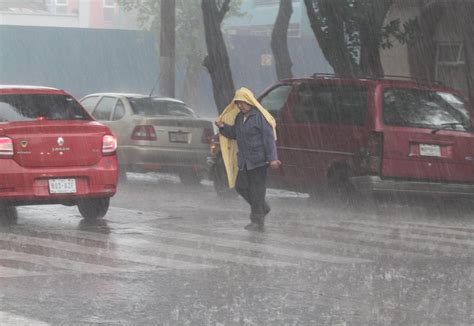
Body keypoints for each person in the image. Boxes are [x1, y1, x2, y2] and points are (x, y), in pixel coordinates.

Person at [215, 87, 281, 232]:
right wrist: (222, 127)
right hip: (245, 161)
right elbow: (234, 134)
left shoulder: (260, 117)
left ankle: (257, 221)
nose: (240, 106)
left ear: (249, 101)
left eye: (242, 103)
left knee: (257, 192)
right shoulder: (239, 118)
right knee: (240, 186)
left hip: (259, 161)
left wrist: (273, 159)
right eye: (238, 103)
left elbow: (268, 139)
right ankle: (263, 208)